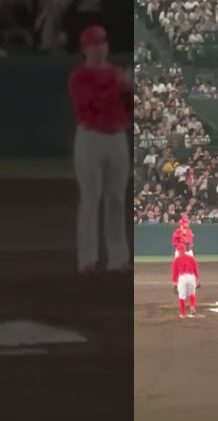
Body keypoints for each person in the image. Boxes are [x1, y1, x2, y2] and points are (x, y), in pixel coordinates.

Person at [68, 25, 132, 274]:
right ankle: (87, 259)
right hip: (91, 137)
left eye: (102, 42)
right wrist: (119, 86)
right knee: (90, 198)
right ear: (85, 49)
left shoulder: (117, 73)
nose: (99, 48)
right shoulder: (79, 77)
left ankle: (118, 258)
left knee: (116, 198)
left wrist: (131, 91)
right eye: (93, 44)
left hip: (117, 137)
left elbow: (128, 110)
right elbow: (90, 104)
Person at [171, 243, 201, 319]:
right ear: (184, 250)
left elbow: (175, 272)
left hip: (182, 278)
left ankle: (183, 314)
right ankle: (192, 306)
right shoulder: (191, 258)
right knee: (192, 293)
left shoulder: (176, 260)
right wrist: (197, 279)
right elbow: (195, 269)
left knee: (181, 296)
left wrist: (174, 282)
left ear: (178, 251)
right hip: (191, 277)